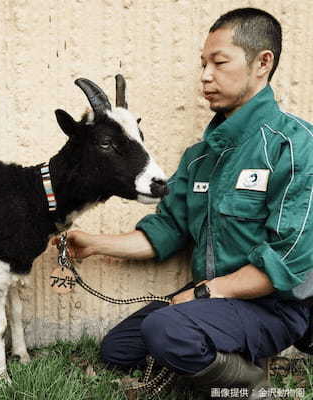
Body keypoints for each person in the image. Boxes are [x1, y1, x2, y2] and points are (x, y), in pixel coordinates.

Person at [56, 8, 313, 399]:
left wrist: (202, 293)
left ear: (263, 63)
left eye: (219, 62)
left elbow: (288, 260)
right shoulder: (199, 157)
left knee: (166, 330)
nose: (205, 76)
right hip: (211, 300)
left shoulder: (295, 147)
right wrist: (93, 243)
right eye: (202, 64)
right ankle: (212, 363)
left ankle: (251, 386)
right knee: (119, 349)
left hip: (273, 306)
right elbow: (168, 229)